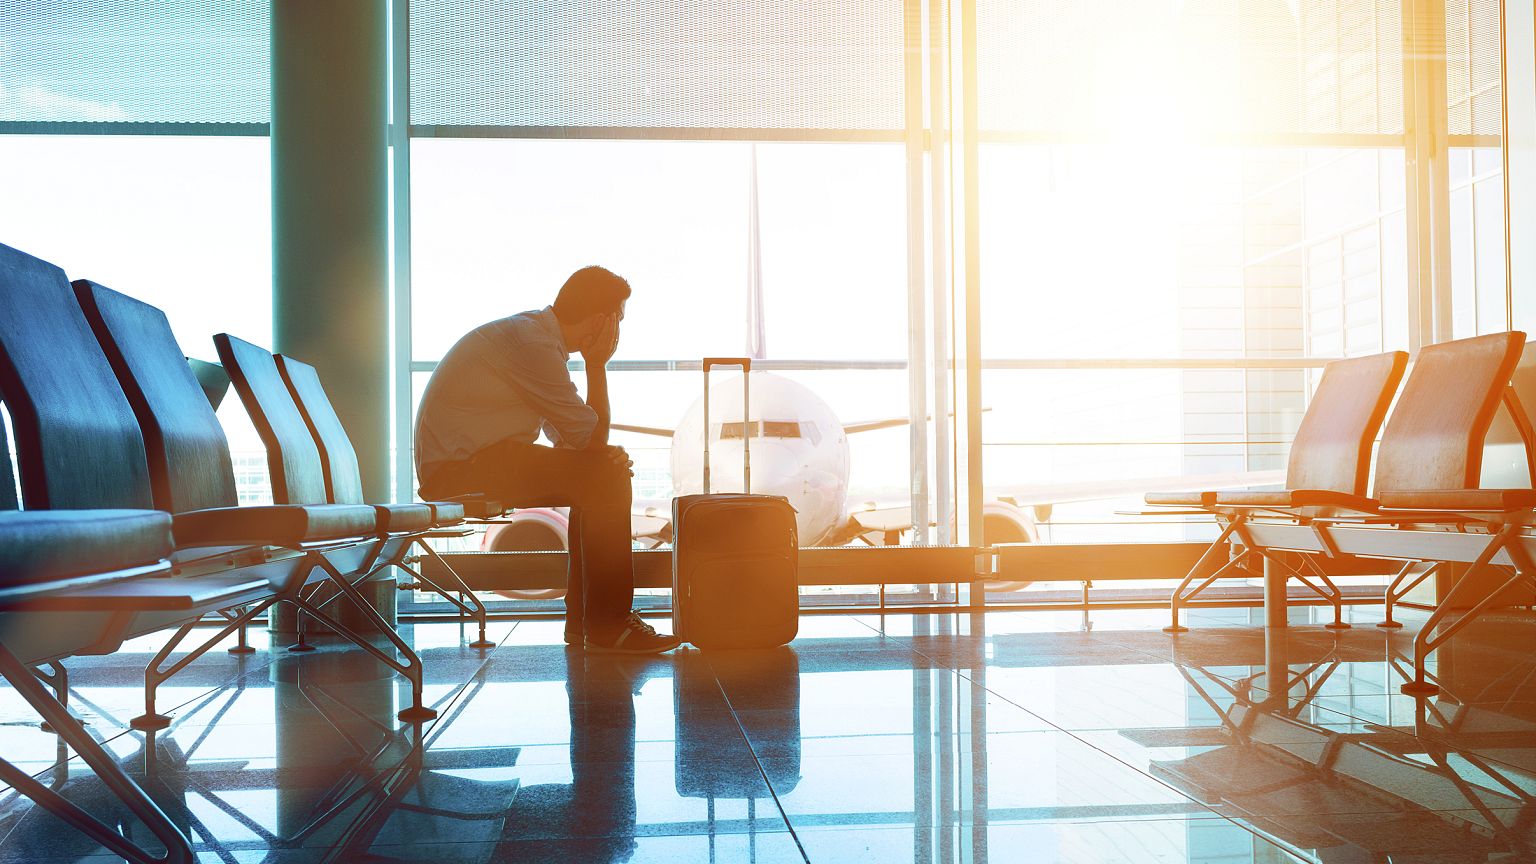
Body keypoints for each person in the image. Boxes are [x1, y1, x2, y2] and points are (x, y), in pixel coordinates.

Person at [415, 266, 681, 655]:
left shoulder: (535, 341)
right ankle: (606, 624)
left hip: (476, 460)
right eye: (618, 320)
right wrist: (597, 365)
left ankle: (588, 622)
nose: (618, 332)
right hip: (463, 468)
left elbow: (575, 444)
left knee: (596, 479)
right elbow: (590, 439)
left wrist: (600, 454)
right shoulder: (533, 346)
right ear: (600, 320)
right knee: (604, 480)